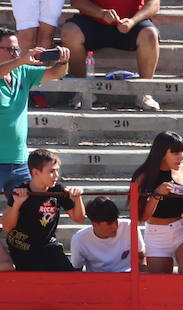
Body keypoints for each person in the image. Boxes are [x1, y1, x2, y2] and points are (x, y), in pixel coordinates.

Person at [1, 30, 67, 198]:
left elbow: (55, 73)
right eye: (9, 49)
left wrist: (62, 61)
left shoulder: (22, 71)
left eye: (16, 49)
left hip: (19, 161)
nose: (15, 53)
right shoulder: (18, 65)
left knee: (26, 214)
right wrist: (20, 60)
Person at [61, 0, 161, 107]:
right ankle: (83, 91)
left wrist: (132, 21)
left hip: (132, 23)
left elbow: (154, 5)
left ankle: (145, 92)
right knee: (69, 32)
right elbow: (77, 2)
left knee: (150, 35)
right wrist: (101, 13)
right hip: (93, 21)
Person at [3, 148, 84, 271]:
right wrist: (17, 204)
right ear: (36, 172)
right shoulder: (20, 190)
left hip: (47, 247)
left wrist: (78, 198)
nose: (56, 175)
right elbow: (7, 227)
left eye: (57, 170)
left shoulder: (58, 190)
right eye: (51, 171)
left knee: (70, 279)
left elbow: (79, 218)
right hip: (22, 249)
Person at [130, 130, 183, 274]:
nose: (182, 157)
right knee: (159, 287)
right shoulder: (143, 175)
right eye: (175, 153)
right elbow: (140, 217)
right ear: (161, 153)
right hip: (156, 234)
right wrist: (156, 195)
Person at [70, 196, 143, 272]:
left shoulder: (129, 226)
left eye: (116, 221)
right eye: (109, 224)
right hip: (98, 281)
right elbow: (77, 269)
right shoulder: (79, 239)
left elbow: (141, 255)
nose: (115, 227)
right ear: (94, 224)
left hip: (127, 278)